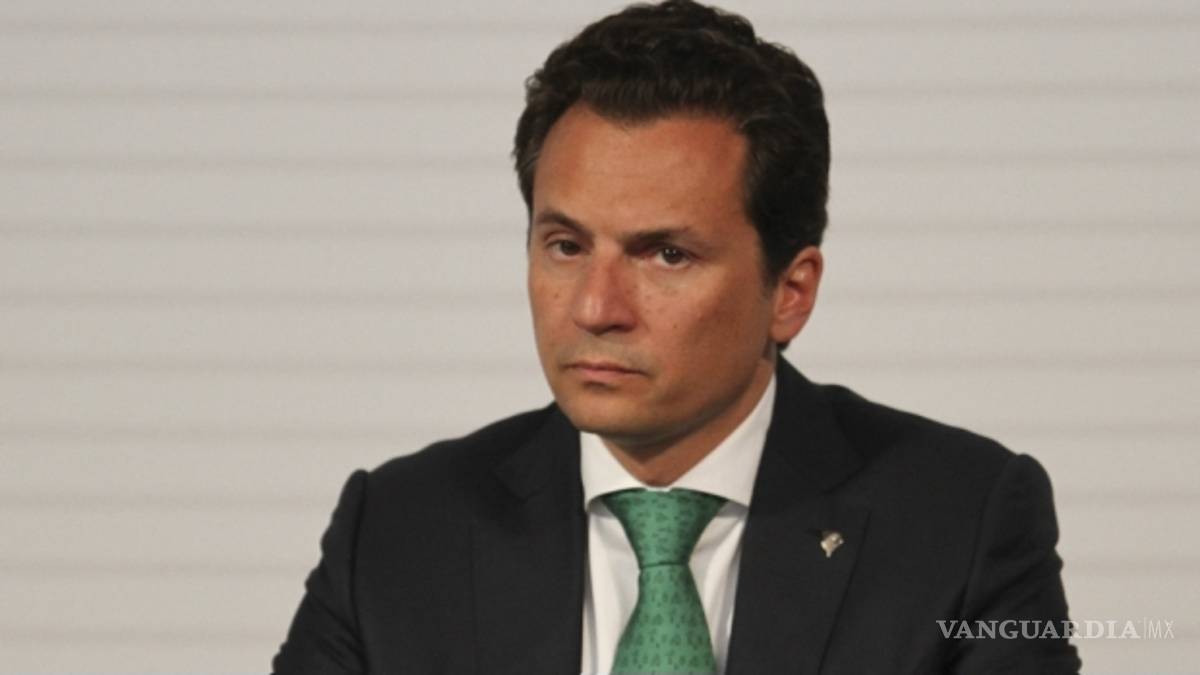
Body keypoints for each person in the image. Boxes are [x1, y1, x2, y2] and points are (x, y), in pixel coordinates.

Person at [272, 1, 1081, 673]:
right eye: (566, 245)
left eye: (665, 255)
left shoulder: (960, 522)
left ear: (790, 293)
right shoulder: (398, 532)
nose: (596, 307)